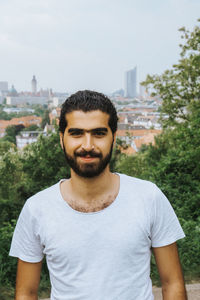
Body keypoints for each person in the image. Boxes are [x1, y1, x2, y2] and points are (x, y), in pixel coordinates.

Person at [10, 90, 187, 300]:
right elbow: (26, 293)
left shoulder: (149, 197)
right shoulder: (36, 209)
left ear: (113, 138)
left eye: (99, 133)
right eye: (76, 133)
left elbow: (172, 283)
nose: (87, 145)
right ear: (61, 139)